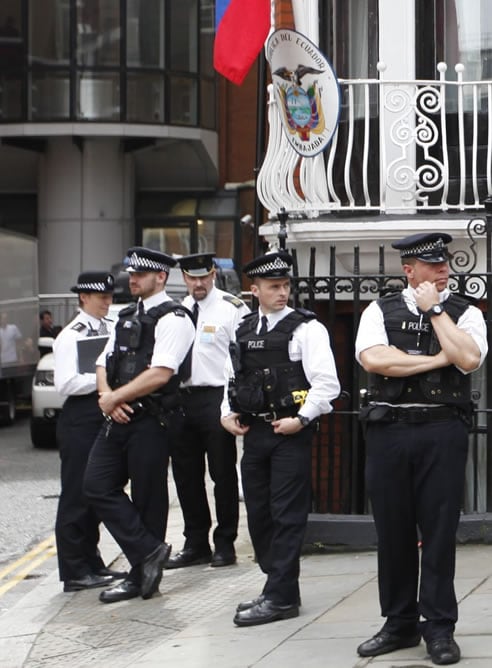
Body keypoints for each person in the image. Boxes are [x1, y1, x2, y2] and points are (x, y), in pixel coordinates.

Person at [355, 232, 488, 666]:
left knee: (438, 532)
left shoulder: (465, 312)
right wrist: (435, 359)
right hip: (388, 431)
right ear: (408, 270)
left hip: (441, 430)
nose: (443, 268)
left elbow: (468, 359)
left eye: (445, 262)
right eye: (432, 264)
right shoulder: (379, 309)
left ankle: (440, 628)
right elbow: (375, 360)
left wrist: (435, 311)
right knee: (392, 532)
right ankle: (399, 623)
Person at [221, 250, 340, 627]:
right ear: (254, 290)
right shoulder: (242, 329)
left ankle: (280, 596)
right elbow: (232, 378)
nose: (282, 292)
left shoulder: (307, 328)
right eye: (274, 286)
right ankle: (279, 584)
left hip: (290, 432)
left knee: (287, 515)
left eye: (286, 285)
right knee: (258, 513)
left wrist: (302, 419)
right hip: (255, 433)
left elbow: (327, 384)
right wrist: (225, 413)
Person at [83, 246, 195, 604]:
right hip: (119, 416)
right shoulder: (126, 314)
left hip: (153, 419)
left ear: (160, 277)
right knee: (96, 484)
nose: (132, 280)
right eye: (131, 274)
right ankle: (148, 550)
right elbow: (103, 362)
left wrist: (116, 398)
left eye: (140, 275)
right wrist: (107, 398)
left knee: (149, 498)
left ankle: (141, 575)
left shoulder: (174, 318)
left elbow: (161, 373)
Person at [166, 253, 250, 570]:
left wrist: (236, 403)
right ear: (184, 279)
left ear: (213, 274)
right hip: (182, 398)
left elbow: (240, 360)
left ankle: (225, 543)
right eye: (192, 278)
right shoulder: (179, 311)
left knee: (223, 474)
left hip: (216, 397)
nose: (198, 284)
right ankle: (196, 542)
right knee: (186, 477)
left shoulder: (231, 308)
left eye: (204, 277)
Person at [53, 271, 126, 592]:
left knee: (96, 491)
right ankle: (73, 570)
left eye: (110, 297)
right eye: (101, 298)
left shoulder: (111, 328)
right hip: (80, 416)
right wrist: (104, 383)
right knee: (76, 495)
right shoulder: (71, 335)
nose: (107, 303)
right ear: (84, 298)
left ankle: (91, 561)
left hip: (102, 412)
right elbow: (65, 383)